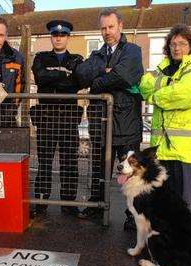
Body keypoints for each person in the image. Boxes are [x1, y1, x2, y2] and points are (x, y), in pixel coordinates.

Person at [75, 8, 144, 220]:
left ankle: (133, 216)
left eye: (111, 27)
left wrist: (97, 82)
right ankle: (97, 207)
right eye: (103, 28)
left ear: (120, 26)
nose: (107, 32)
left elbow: (125, 76)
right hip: (101, 124)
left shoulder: (133, 50)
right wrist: (103, 73)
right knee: (99, 171)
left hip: (127, 126)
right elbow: (80, 75)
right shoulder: (96, 54)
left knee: (132, 174)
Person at [139, 23, 191, 211]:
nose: (177, 48)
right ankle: (167, 238)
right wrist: (169, 82)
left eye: (182, 43)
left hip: (184, 152)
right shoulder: (165, 67)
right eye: (173, 44)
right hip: (163, 149)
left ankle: (181, 240)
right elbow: (144, 85)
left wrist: (156, 96)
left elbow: (185, 94)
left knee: (180, 205)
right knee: (163, 202)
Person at [30, 20, 84, 217]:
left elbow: (79, 81)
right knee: (44, 163)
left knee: (70, 163)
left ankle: (68, 204)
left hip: (69, 120)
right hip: (47, 119)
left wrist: (55, 76)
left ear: (68, 37)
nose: (59, 38)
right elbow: (40, 78)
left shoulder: (78, 59)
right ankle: (41, 201)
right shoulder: (40, 57)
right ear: (51, 37)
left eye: (62, 35)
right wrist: (66, 77)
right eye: (55, 35)